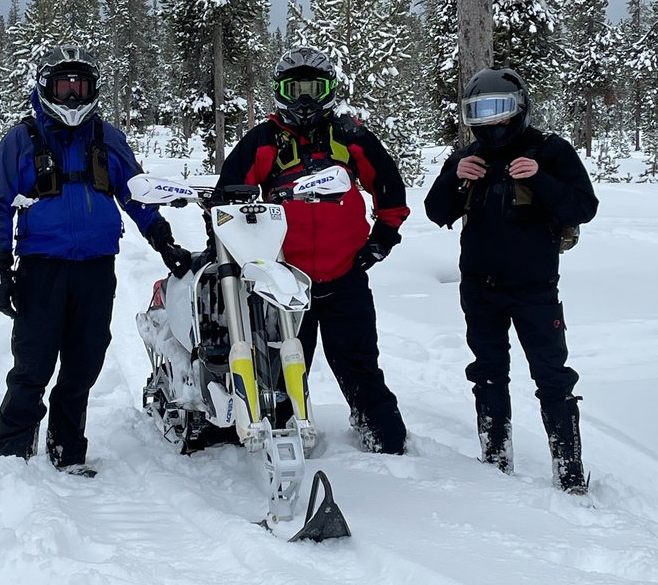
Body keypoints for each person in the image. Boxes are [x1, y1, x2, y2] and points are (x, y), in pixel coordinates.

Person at [0, 45, 191, 477]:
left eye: (81, 86)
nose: (73, 96)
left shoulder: (107, 138)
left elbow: (138, 194)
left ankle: (67, 448)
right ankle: (13, 449)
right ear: (47, 88)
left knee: (85, 358)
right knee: (34, 360)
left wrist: (162, 239)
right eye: (65, 86)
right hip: (42, 266)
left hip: (96, 267)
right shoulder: (22, 140)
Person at [213, 45, 410, 455]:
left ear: (328, 90)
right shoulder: (261, 142)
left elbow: (389, 187)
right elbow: (224, 201)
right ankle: (282, 434)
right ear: (280, 90)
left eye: (312, 87)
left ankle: (377, 429)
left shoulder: (350, 137)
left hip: (345, 273)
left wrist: (382, 239)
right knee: (282, 367)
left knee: (360, 364)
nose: (304, 98)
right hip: (284, 279)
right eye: (295, 87)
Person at [424, 67, 598, 493]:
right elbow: (435, 211)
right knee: (487, 372)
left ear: (519, 107)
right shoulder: (469, 156)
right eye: (479, 113)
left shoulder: (550, 150)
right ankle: (494, 459)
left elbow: (584, 207)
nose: (491, 122)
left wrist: (539, 178)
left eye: (499, 110)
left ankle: (570, 471)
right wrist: (454, 177)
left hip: (535, 290)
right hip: (479, 288)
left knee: (553, 377)